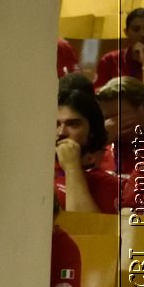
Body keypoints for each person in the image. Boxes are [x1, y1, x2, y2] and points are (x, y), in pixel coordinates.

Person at [54, 86, 118, 214]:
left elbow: (86, 231)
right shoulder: (34, 172)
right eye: (56, 124)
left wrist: (72, 167)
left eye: (73, 124)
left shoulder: (107, 184)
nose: (61, 132)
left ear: (92, 132)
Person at [95, 76, 144, 203]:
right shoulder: (99, 148)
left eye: (118, 116)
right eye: (106, 118)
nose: (111, 124)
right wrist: (99, 142)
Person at [94, 7, 144, 90]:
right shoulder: (110, 60)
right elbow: (97, 93)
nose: (143, 34)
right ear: (126, 32)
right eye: (136, 29)